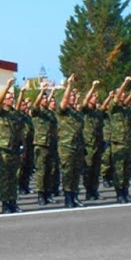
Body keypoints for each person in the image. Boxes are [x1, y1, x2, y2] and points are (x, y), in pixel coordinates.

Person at [0, 78, 24, 213]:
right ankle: (5, 203)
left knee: (14, 177)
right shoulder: (1, 112)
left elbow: (20, 131)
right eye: (9, 97)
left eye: (12, 97)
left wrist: (22, 147)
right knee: (5, 177)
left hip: (15, 149)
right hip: (4, 149)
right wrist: (7, 86)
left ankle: (13, 202)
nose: (11, 99)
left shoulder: (14, 113)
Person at [57, 75, 86, 208]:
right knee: (68, 172)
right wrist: (69, 85)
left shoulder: (77, 113)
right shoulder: (63, 112)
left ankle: (74, 196)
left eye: (74, 98)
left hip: (78, 146)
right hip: (66, 147)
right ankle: (68, 198)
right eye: (71, 98)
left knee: (76, 172)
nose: (72, 100)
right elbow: (64, 101)